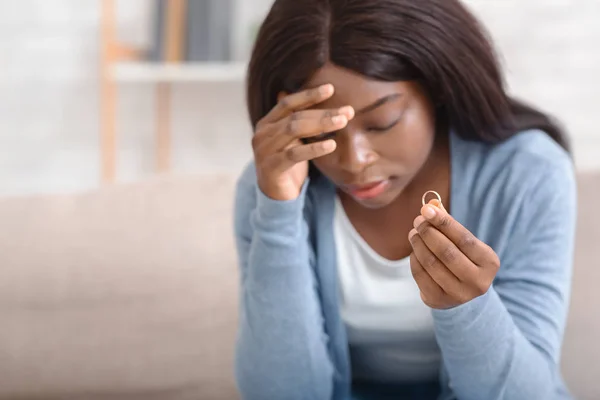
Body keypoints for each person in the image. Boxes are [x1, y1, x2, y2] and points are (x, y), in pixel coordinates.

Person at [233, 0, 577, 399]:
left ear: (438, 89)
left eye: (382, 123)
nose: (354, 161)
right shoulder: (274, 187)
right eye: (322, 133)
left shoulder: (527, 174)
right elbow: (280, 393)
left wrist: (469, 310)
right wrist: (277, 214)